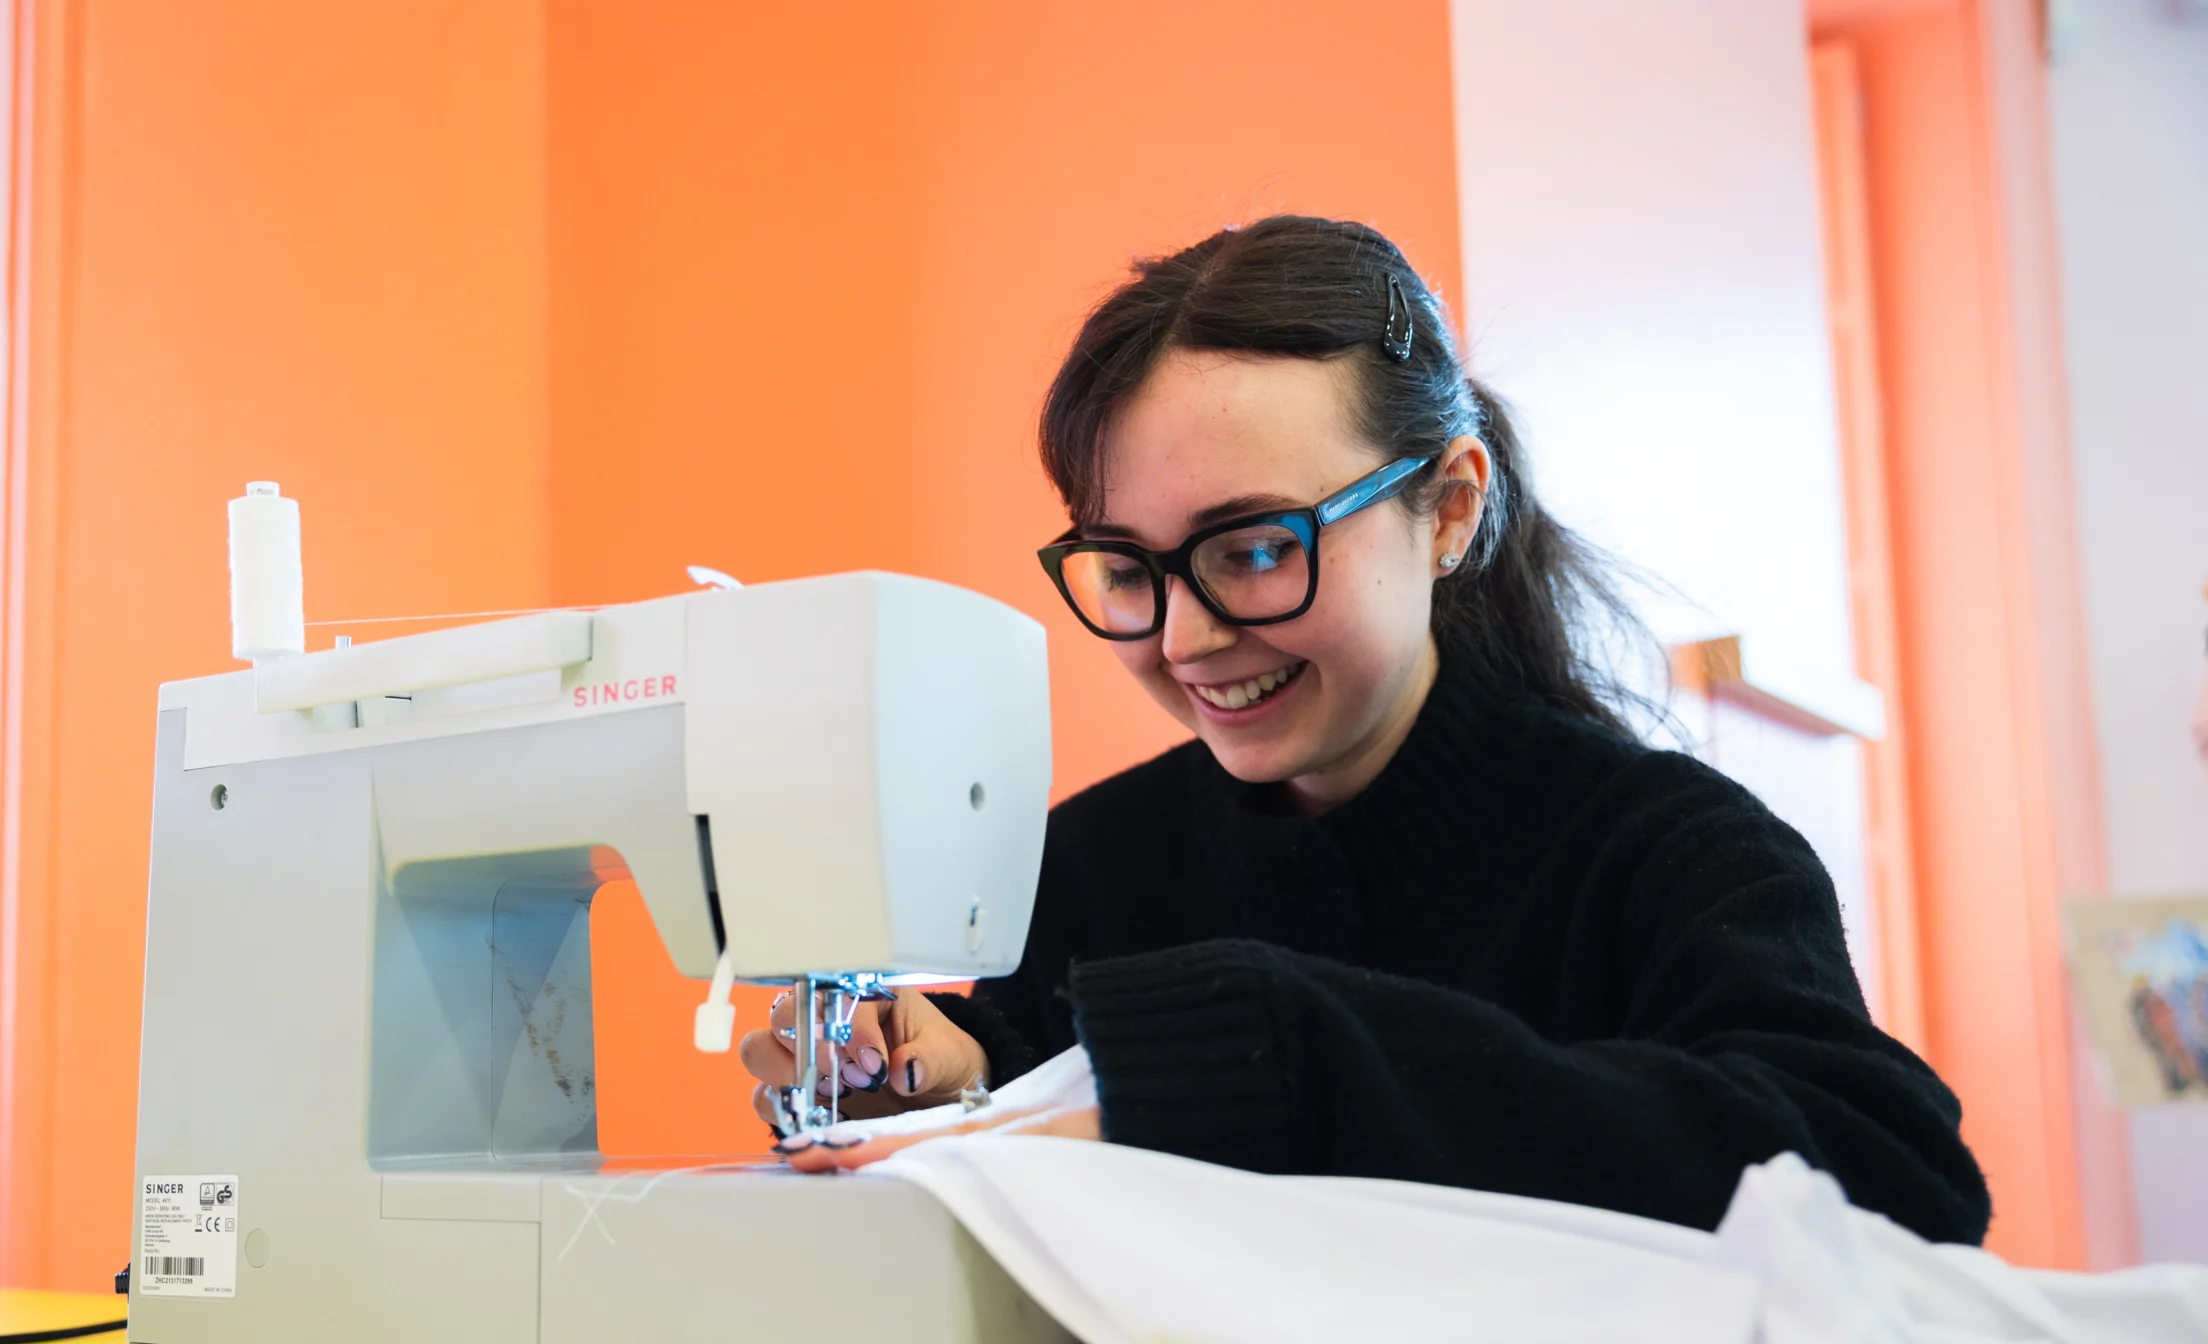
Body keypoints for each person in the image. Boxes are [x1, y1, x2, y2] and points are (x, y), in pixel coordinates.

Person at [739, 215, 1988, 1243]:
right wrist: (963, 1063)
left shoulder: (1670, 852)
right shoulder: (1087, 865)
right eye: (1126, 567)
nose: (1182, 640)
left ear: (1446, 509)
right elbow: (1052, 1093)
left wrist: (1286, 1066)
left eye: (1256, 548)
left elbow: (1898, 1185)